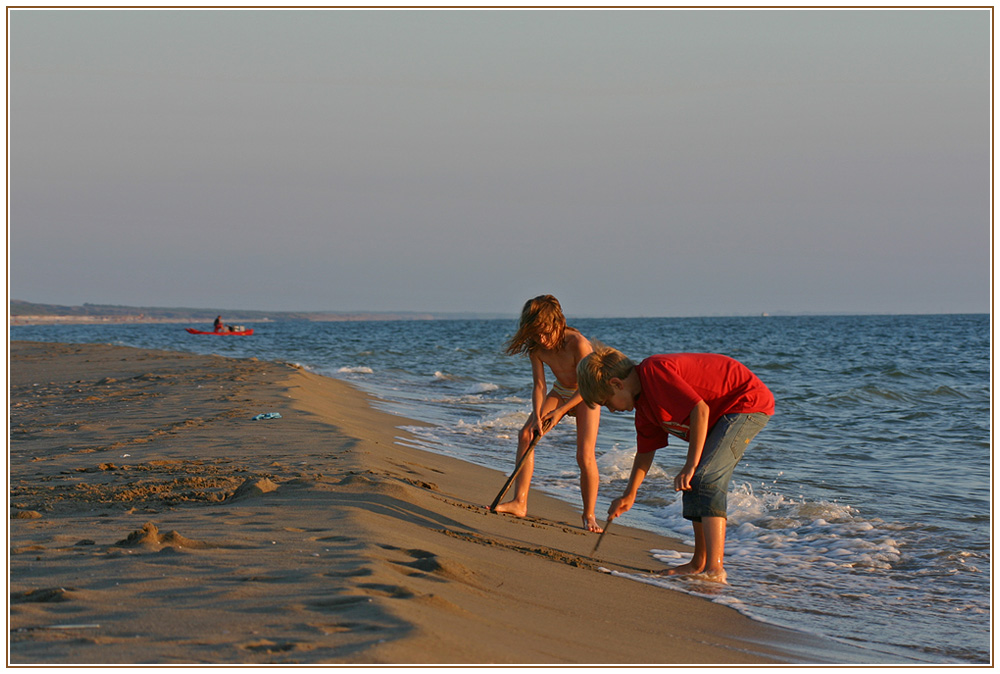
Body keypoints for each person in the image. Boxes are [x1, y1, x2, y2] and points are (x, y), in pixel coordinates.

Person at [577, 345, 774, 583]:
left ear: (617, 384)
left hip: (744, 402)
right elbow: (645, 452)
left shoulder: (654, 371)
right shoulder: (643, 407)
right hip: (718, 414)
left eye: (607, 402)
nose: (610, 409)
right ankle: (698, 562)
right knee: (692, 483)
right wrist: (629, 494)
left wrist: (690, 465)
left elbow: (699, 409)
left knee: (705, 478)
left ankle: (715, 568)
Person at [493, 295, 603, 533]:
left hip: (586, 394)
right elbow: (540, 386)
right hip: (561, 391)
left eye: (546, 333)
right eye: (535, 334)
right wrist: (536, 414)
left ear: (558, 323)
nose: (542, 339)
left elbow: (587, 385)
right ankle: (519, 502)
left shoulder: (578, 343)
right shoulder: (536, 348)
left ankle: (589, 515)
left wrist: (561, 411)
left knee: (585, 456)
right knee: (526, 434)